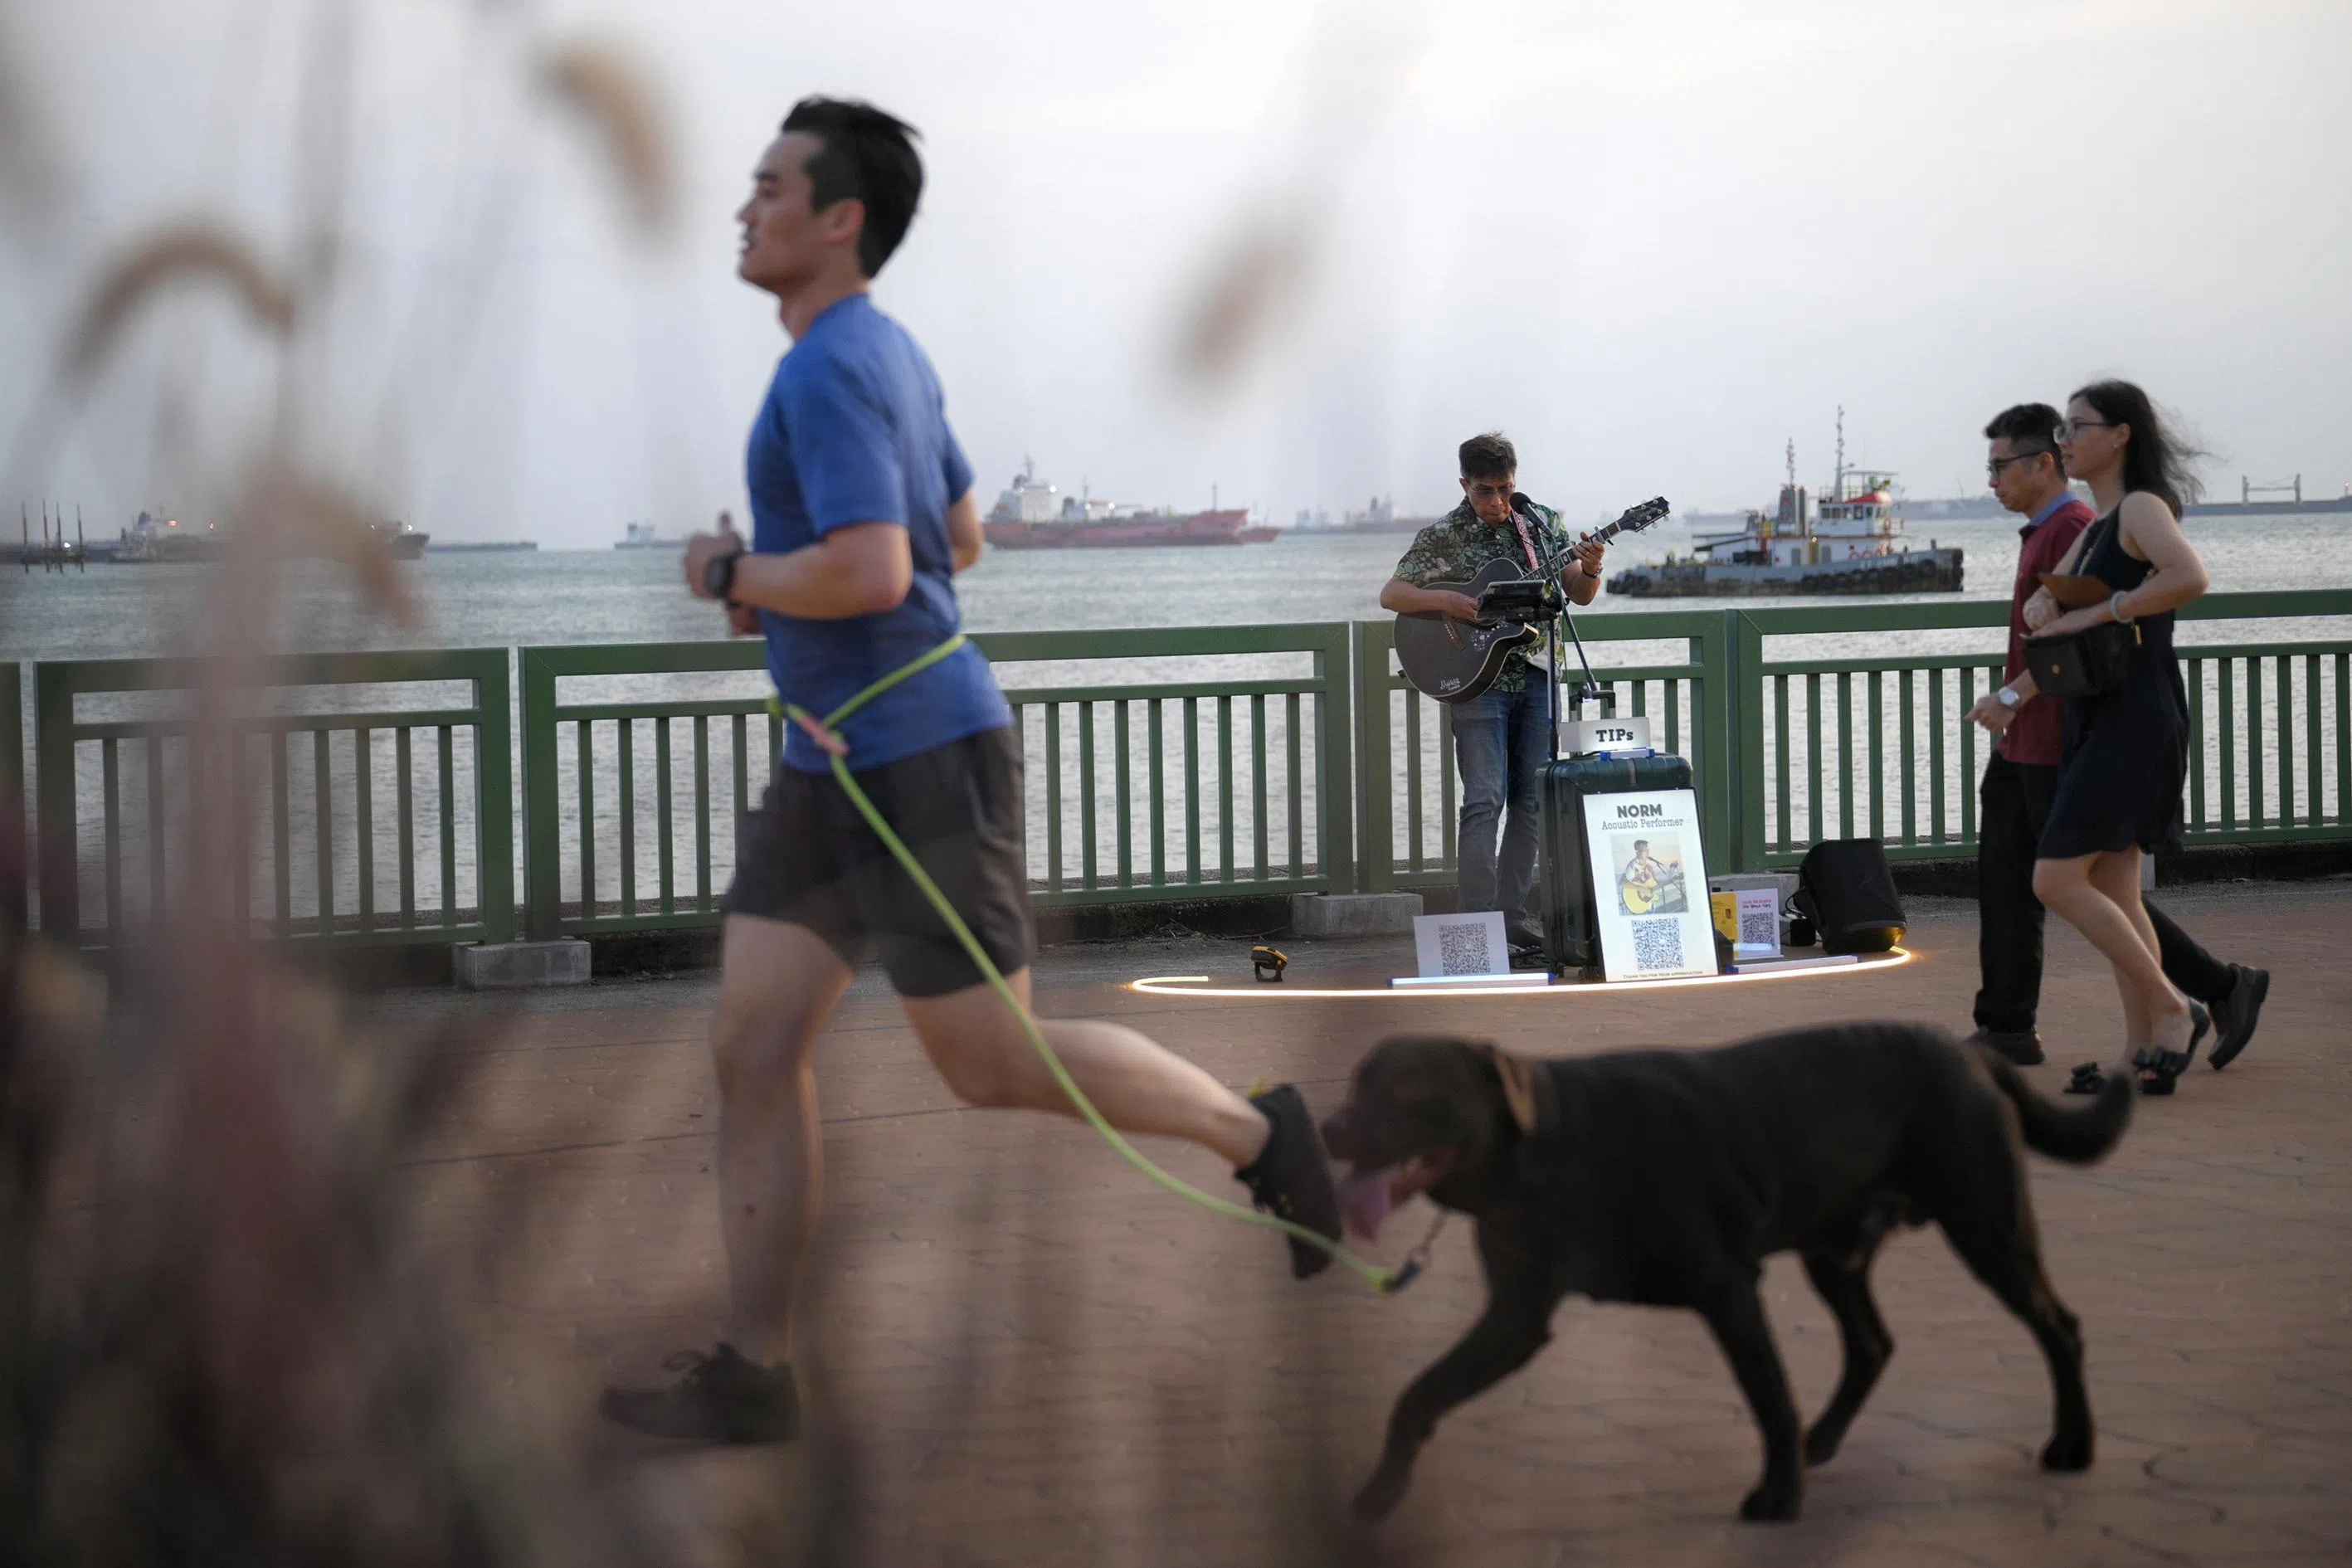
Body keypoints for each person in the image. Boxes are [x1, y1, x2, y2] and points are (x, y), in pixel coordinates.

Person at [600, 98, 1342, 1445]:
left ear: (841, 220)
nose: (743, 209)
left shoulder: (830, 369)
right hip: (827, 763)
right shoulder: (890, 355)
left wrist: (730, 571)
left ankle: (1263, 1135)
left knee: (993, 1060)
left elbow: (882, 569)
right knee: (751, 1045)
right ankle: (755, 1371)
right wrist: (785, 589)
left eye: (770, 188)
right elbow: (962, 538)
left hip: (918, 757)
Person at [1964, 404, 2267, 1069]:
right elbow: (2051, 629)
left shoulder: (2085, 523)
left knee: (2078, 885)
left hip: (2070, 736)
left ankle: (2200, 992)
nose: (1990, 481)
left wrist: (2014, 694)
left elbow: (2101, 633)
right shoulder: (2073, 527)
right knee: (2022, 884)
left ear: (2041, 464)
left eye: (1999, 466)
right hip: (2034, 737)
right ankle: (2014, 1024)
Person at [1379, 434, 1605, 965]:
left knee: (1531, 801)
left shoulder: (1540, 522)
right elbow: (1392, 594)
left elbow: (1578, 593)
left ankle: (1511, 916)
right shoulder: (1446, 534)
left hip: (1539, 675)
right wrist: (1449, 602)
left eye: (1505, 488)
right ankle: (1473, 920)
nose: (1498, 501)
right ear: (1465, 484)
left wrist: (1592, 566)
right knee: (1484, 798)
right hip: (1478, 682)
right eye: (1485, 491)